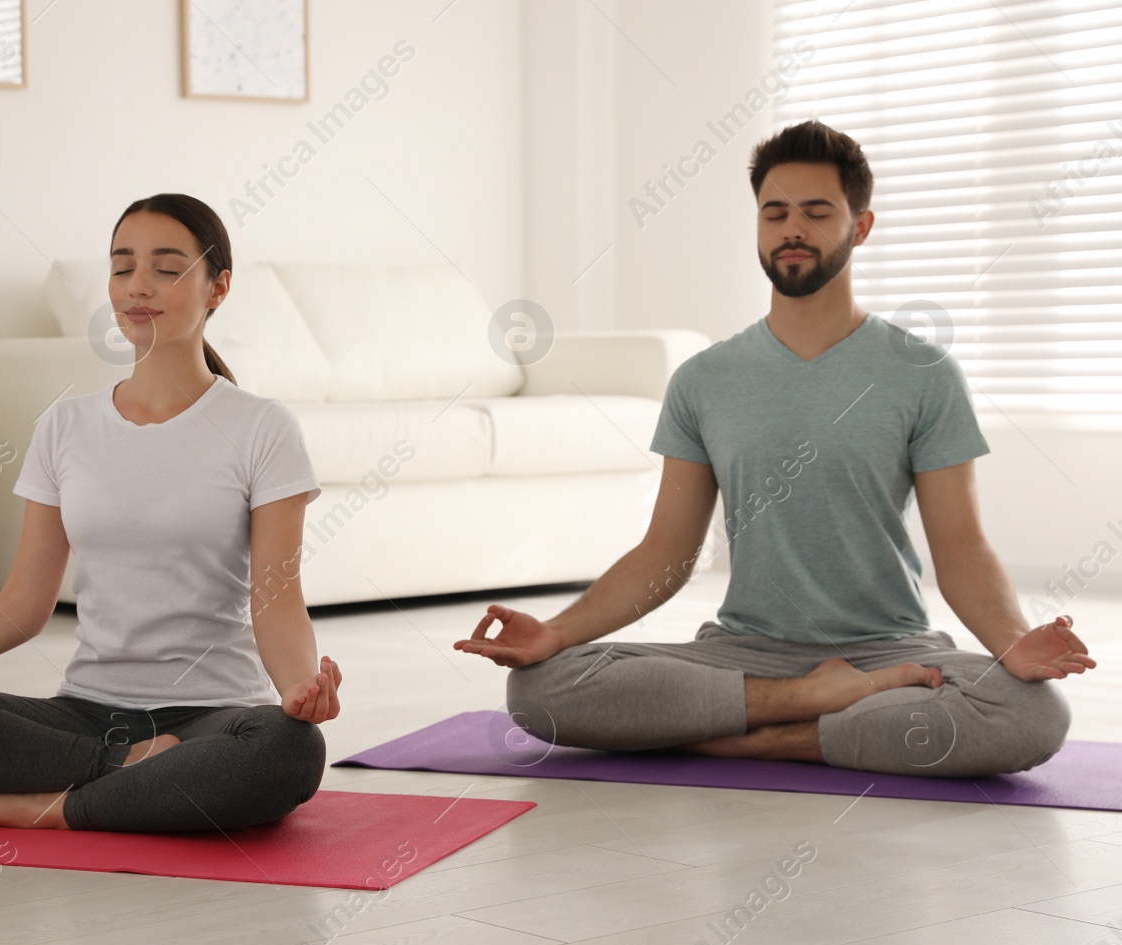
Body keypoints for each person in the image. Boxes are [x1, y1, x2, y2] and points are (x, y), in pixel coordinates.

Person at [454, 120, 1095, 778]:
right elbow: (666, 552)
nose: (793, 229)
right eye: (775, 213)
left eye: (817, 213)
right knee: (538, 691)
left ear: (861, 226)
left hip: (889, 655)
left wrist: (1013, 644)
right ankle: (811, 704)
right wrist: (556, 633)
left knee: (1033, 714)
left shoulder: (922, 373)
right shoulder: (705, 379)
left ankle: (762, 734)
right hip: (743, 653)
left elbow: (961, 549)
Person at [0, 192, 341, 831]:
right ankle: (123, 765)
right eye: (121, 266)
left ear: (218, 288)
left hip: (215, 716)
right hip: (86, 715)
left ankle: (51, 808)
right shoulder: (65, 426)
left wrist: (299, 689)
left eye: (166, 268)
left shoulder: (262, 428)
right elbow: (20, 607)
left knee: (288, 750)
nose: (138, 286)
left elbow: (276, 598)